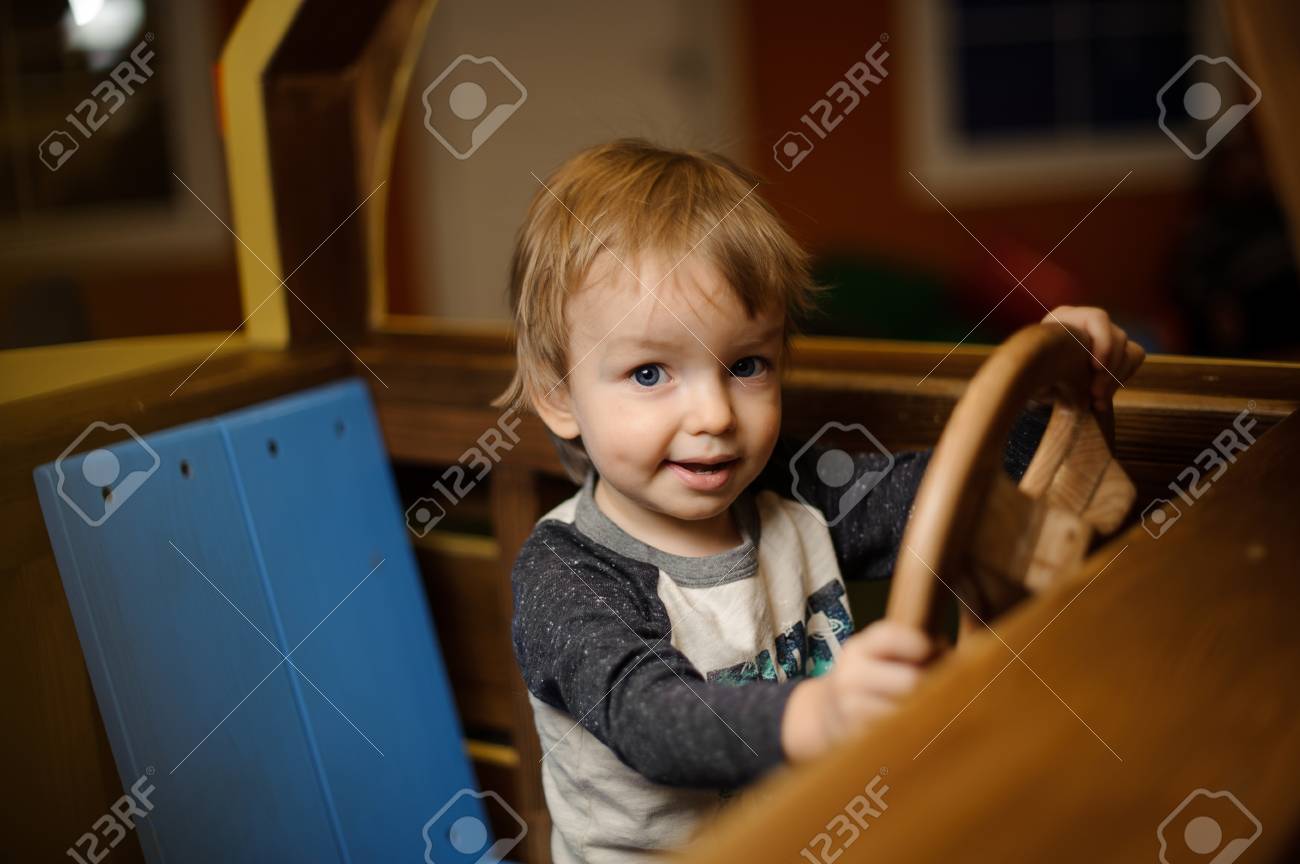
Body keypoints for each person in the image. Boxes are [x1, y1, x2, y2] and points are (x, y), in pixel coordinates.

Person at [493, 139, 1144, 863]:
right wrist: (817, 711)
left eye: (745, 365)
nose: (713, 415)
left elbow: (964, 485)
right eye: (650, 373)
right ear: (558, 395)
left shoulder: (794, 494)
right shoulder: (569, 573)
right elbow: (650, 719)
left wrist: (1056, 387)